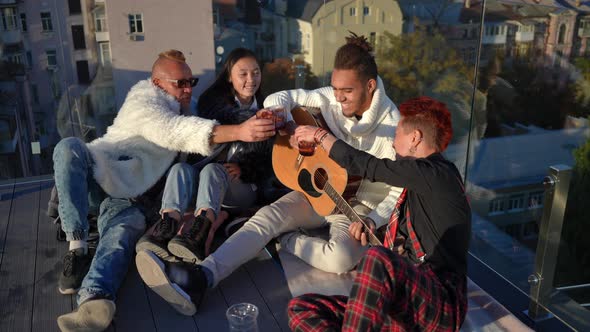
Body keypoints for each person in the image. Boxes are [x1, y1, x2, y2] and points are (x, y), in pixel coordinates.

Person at [135, 33, 404, 316]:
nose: (337, 98)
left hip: (355, 208)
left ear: (370, 86)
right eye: (334, 89)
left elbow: (398, 190)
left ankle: (283, 242)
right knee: (267, 218)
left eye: (346, 91)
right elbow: (279, 97)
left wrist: (373, 220)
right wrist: (289, 127)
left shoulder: (392, 126)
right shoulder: (330, 98)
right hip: (317, 193)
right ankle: (201, 276)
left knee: (340, 259)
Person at [55, 49, 275, 332]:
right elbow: (175, 131)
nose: (186, 89)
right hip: (103, 178)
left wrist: (243, 166)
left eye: (190, 82)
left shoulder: (191, 105)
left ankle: (93, 302)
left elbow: (201, 139)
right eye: (179, 83)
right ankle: (77, 247)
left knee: (119, 239)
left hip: (138, 201)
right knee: (69, 147)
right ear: (158, 84)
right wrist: (241, 131)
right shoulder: (143, 102)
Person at [288, 96, 472, 331]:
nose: (394, 143)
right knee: (302, 307)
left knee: (377, 257)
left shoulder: (438, 175)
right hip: (405, 300)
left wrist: (320, 135)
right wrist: (371, 224)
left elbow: (367, 165)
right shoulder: (422, 185)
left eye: (397, 134)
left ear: (415, 137)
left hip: (441, 303)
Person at [135, 48, 275, 270]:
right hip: (207, 185)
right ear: (230, 76)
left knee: (213, 171)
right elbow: (214, 125)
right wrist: (247, 124)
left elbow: (271, 163)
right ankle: (165, 228)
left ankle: (198, 236)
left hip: (241, 188)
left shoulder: (270, 111)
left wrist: (245, 169)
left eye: (256, 73)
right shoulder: (215, 105)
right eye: (244, 74)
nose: (251, 79)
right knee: (180, 169)